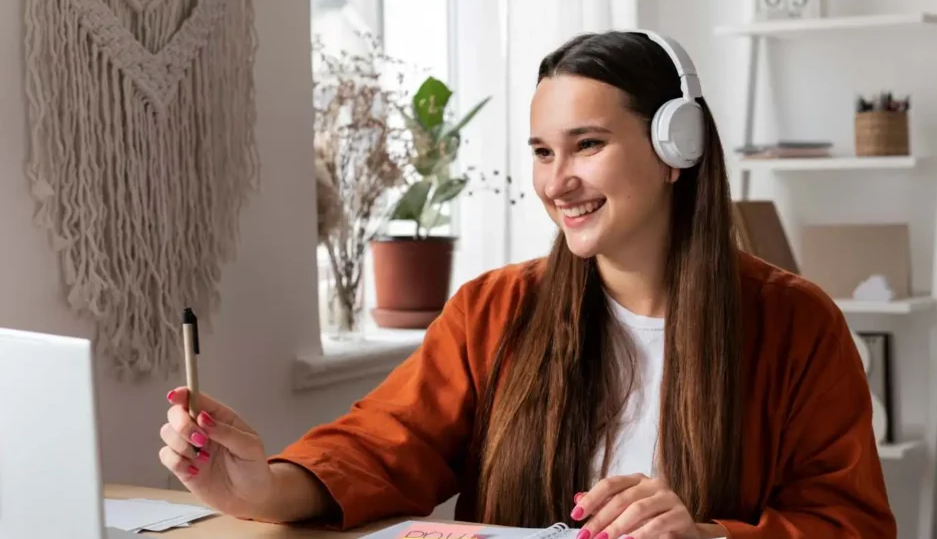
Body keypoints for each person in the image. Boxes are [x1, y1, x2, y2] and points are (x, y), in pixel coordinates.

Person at [159, 30, 897, 539]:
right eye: (543, 152)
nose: (556, 181)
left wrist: (708, 534)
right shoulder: (495, 310)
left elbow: (851, 523)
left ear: (677, 148)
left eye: (587, 145)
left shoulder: (797, 323)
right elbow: (383, 446)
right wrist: (258, 487)